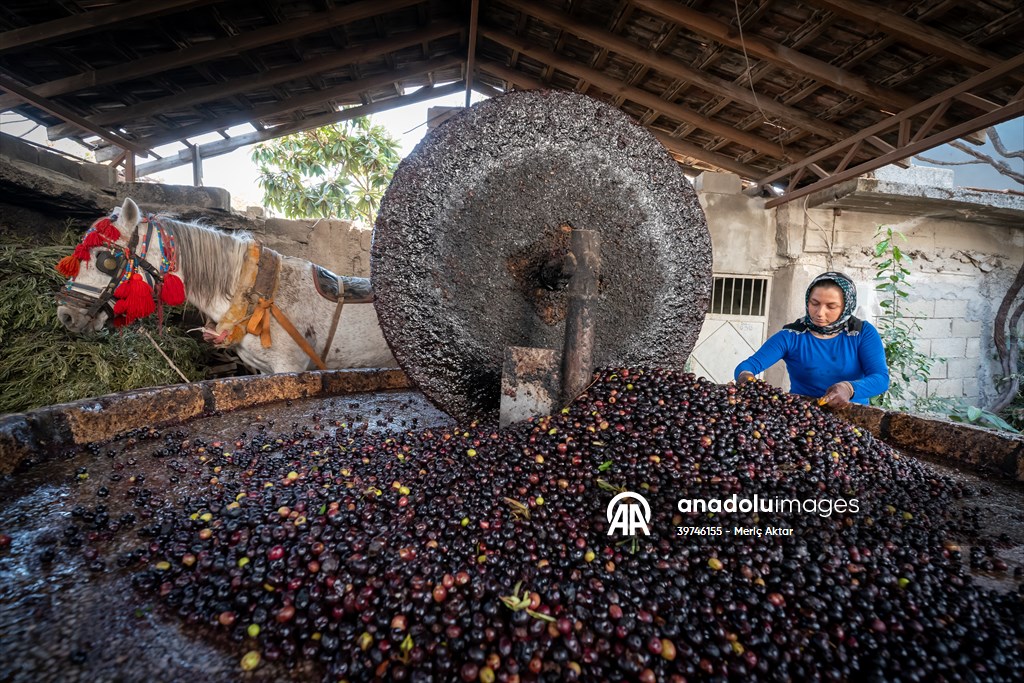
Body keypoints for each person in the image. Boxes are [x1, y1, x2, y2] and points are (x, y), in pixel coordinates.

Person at [734, 271, 889, 407]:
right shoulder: (791, 336)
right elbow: (749, 365)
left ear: (846, 306)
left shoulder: (861, 333)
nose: (820, 313)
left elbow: (880, 378)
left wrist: (849, 388)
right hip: (804, 415)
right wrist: (745, 377)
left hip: (853, 415)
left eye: (831, 306)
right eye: (814, 303)